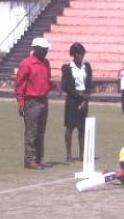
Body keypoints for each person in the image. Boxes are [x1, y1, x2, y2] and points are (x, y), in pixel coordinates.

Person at [14, 37, 55, 169]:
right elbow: (20, 84)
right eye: (44, 49)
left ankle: (39, 158)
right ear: (36, 49)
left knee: (41, 131)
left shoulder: (46, 63)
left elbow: (46, 80)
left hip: (43, 99)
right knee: (32, 131)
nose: (46, 51)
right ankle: (30, 160)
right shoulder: (26, 64)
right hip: (31, 101)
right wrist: (20, 102)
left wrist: (53, 86)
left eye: (47, 49)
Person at [61, 42, 93, 162]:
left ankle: (82, 154)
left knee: (82, 127)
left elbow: (89, 84)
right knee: (70, 127)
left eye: (82, 53)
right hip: (72, 100)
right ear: (73, 55)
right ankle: (69, 154)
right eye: (79, 54)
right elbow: (66, 86)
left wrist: (85, 98)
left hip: (84, 99)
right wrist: (78, 95)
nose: (81, 56)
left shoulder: (87, 67)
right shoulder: (68, 68)